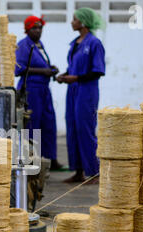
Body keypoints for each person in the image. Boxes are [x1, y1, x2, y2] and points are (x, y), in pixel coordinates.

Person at [56, 8, 106, 183]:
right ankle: (78, 171)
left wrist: (75, 78)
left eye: (75, 19)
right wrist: (65, 75)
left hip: (87, 91)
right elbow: (74, 68)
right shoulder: (75, 43)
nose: (72, 22)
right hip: (73, 91)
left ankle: (94, 172)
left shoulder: (94, 43)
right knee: (72, 129)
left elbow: (98, 71)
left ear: (83, 22)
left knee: (85, 129)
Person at [15, 15, 64, 171]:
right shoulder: (23, 45)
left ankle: (50, 158)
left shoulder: (39, 44)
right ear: (27, 29)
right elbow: (19, 69)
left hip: (44, 89)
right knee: (32, 124)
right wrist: (43, 71)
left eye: (40, 28)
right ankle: (32, 159)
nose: (38, 31)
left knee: (49, 123)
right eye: (34, 28)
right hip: (31, 89)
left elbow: (41, 64)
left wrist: (50, 69)